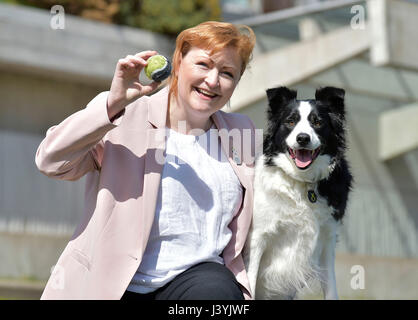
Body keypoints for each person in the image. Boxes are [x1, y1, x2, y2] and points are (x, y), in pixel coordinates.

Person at [35, 21, 257, 300]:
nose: (213, 81)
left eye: (227, 73)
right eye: (203, 64)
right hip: (116, 284)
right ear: (178, 61)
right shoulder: (124, 115)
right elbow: (51, 161)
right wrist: (112, 104)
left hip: (198, 282)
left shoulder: (241, 131)